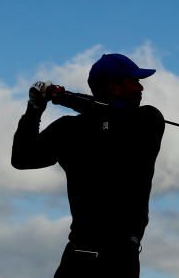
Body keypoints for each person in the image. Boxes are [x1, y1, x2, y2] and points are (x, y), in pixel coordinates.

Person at [11, 53, 165, 278]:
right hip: (112, 260)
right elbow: (23, 158)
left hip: (90, 258)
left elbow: (110, 117)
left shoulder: (146, 120)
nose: (140, 88)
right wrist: (36, 109)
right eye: (134, 81)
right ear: (115, 86)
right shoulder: (146, 120)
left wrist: (48, 103)